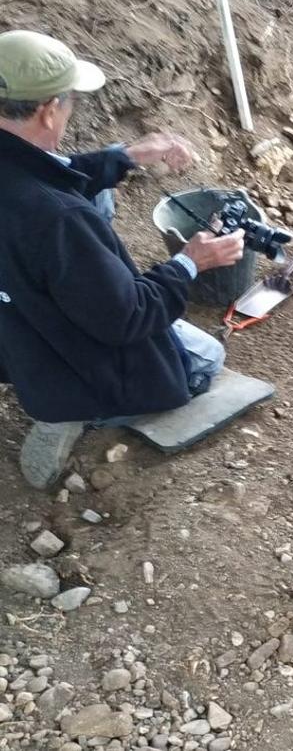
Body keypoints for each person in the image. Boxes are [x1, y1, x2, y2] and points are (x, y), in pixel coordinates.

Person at [0, 30, 246, 489]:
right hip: (61, 365)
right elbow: (128, 316)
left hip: (12, 327)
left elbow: (45, 174)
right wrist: (190, 262)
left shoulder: (30, 192)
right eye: (69, 102)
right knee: (207, 357)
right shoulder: (59, 221)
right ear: (49, 109)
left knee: (100, 200)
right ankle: (73, 413)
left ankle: (58, 394)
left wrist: (124, 157)